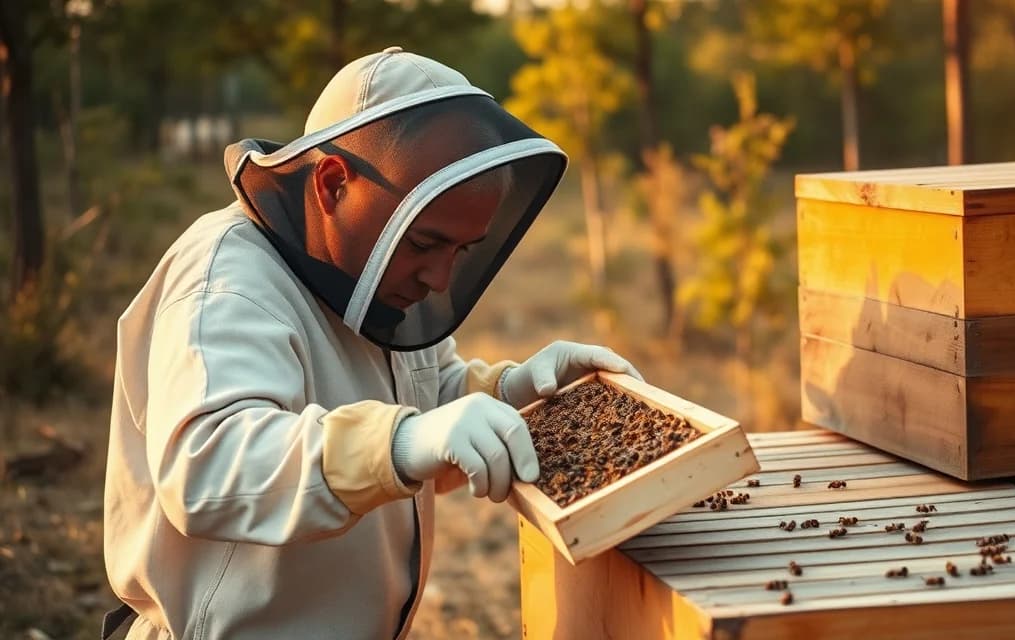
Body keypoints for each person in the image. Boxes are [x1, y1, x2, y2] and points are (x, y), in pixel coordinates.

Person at [101, 46, 641, 639]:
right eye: (425, 243)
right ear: (334, 184)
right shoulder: (227, 279)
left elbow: (426, 401)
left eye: (461, 251)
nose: (440, 279)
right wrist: (403, 441)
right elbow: (208, 466)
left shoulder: (372, 281)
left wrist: (517, 391)